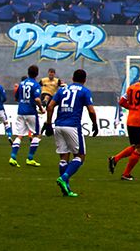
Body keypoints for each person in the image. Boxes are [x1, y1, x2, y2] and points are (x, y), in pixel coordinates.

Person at [45, 68, 98, 197]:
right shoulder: (84, 91)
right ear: (84, 80)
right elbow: (91, 111)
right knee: (80, 156)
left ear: (72, 78)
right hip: (73, 126)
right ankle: (64, 178)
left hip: (58, 125)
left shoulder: (62, 90)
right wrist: (95, 124)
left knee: (64, 157)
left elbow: (50, 106)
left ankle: (66, 188)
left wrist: (48, 123)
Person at [109, 65, 140, 181]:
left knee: (136, 145)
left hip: (130, 120)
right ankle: (126, 174)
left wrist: (132, 107)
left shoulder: (131, 87)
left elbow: (122, 101)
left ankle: (115, 159)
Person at [10, 65, 43, 168]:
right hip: (31, 112)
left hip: (20, 112)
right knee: (37, 135)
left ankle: (13, 157)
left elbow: (16, 98)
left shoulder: (21, 84)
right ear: (37, 74)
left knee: (19, 135)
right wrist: (41, 109)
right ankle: (30, 158)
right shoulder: (36, 85)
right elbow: (37, 99)